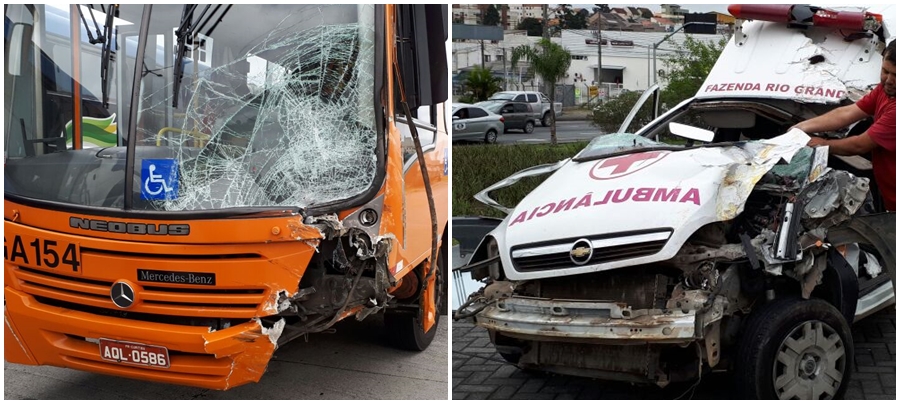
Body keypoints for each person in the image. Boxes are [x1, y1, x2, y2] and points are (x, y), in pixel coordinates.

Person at [792, 40, 895, 211]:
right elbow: (847, 113)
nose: (888, 80)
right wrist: (801, 127)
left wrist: (821, 144)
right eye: (885, 71)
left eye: (896, 75)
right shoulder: (886, 90)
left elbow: (860, 144)